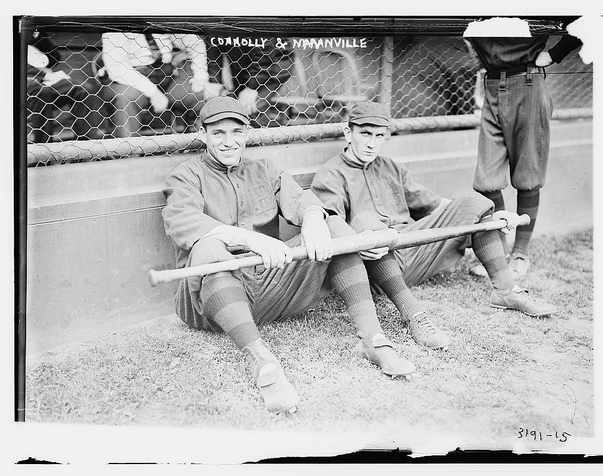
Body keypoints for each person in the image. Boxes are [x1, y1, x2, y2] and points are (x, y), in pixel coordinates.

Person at [161, 97, 424, 414]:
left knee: (334, 226)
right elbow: (183, 222)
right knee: (209, 248)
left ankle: (373, 340)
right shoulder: (186, 175)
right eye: (218, 133)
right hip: (210, 302)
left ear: (247, 133)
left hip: (269, 287)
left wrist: (314, 218)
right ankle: (261, 361)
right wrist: (249, 239)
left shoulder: (264, 169)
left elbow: (304, 201)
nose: (229, 142)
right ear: (204, 135)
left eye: (236, 132)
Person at [310, 101, 558, 327]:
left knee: (472, 202)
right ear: (347, 133)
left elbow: (439, 205)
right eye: (365, 133)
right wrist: (366, 239)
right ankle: (412, 314)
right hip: (375, 264)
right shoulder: (331, 174)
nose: (372, 143)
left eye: (379, 135)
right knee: (365, 221)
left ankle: (506, 291)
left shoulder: (390, 167)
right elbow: (332, 229)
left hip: (412, 249)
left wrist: (492, 218)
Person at [466, 27, 583, 279]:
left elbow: (587, 18)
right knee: (486, 181)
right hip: (492, 84)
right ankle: (499, 256)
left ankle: (520, 255)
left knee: (528, 177)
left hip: (527, 82)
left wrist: (555, 53)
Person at [100, 32, 224, 137]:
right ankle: (128, 161)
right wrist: (153, 92)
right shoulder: (118, 19)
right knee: (125, 99)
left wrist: (200, 77)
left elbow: (194, 42)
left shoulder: (160, 15)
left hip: (165, 77)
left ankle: (213, 152)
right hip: (130, 81)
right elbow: (116, 66)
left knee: (205, 96)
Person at [27, 31, 103, 142]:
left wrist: (37, 34)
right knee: (42, 92)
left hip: (45, 80)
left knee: (84, 89)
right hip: (22, 82)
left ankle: (85, 145)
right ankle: (43, 148)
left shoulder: (32, 34)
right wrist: (44, 74)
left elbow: (54, 57)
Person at [204, 38, 293, 127]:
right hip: (241, 61)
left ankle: (265, 137)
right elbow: (212, 42)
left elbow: (265, 49)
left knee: (249, 110)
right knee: (235, 108)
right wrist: (214, 80)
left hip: (271, 64)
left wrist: (252, 86)